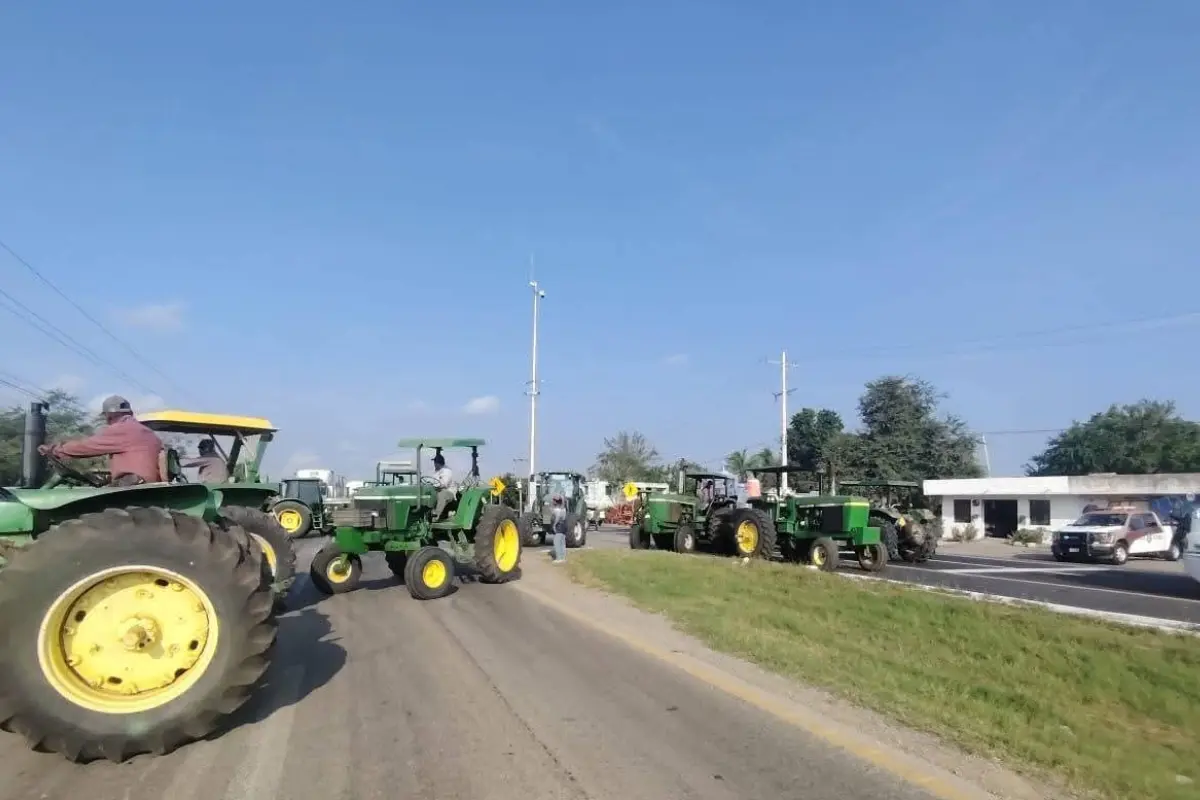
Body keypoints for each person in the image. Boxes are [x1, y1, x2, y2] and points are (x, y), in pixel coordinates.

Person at [38, 395, 163, 485]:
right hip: (145, 484)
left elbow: (86, 447)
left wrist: (55, 450)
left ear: (108, 416)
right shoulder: (147, 432)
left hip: (132, 484)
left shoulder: (121, 430)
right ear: (130, 412)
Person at [431, 453, 456, 519]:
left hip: (449, 492)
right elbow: (433, 481)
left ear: (438, 463)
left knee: (442, 494)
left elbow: (444, 484)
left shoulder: (446, 471)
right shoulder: (436, 471)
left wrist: (434, 486)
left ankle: (436, 516)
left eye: (435, 462)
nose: (434, 464)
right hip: (437, 490)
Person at [549, 494, 568, 563]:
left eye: (553, 500)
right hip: (564, 526)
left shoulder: (556, 510)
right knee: (562, 543)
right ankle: (563, 558)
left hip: (559, 526)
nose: (552, 501)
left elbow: (557, 517)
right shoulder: (564, 509)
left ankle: (558, 558)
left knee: (557, 542)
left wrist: (554, 525)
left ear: (555, 501)